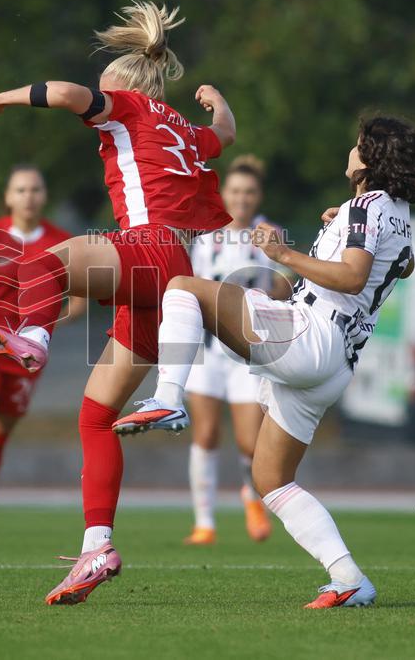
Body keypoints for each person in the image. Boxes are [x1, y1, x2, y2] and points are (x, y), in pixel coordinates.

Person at [0, 0, 236, 604]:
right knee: (94, 417)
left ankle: (32, 340)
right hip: (169, 277)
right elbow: (223, 135)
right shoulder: (181, 130)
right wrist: (218, 102)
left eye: (103, 87)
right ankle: (97, 547)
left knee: (45, 259)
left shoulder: (132, 106)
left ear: (122, 84)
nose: (97, 95)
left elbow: (63, 93)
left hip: (149, 252)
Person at [116, 116, 415, 608]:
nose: (352, 151)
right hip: (335, 365)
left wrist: (285, 253)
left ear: (370, 161)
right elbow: (404, 263)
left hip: (310, 336)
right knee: (270, 478)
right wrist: (345, 225)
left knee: (183, 289)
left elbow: (354, 278)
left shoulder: (363, 209)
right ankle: (349, 578)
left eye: (359, 146)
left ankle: (168, 399)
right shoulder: (392, 211)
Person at [0, 165, 86, 546]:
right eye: (20, 189)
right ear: (8, 196)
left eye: (35, 189)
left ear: (45, 196)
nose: (29, 196)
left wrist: (46, 324)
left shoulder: (61, 242)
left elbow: (80, 300)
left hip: (24, 353)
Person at [181, 155, 292, 546]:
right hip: (207, 350)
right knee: (206, 433)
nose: (241, 199)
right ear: (223, 194)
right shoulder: (203, 234)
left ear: (257, 196)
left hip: (247, 353)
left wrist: (276, 290)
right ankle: (204, 521)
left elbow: (286, 285)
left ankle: (250, 494)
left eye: (248, 192)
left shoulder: (269, 233)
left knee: (250, 441)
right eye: (234, 192)